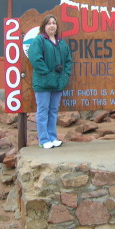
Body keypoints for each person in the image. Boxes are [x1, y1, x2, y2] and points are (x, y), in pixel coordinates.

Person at [28, 14, 72, 149]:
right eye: (49, 23)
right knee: (43, 110)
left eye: (54, 23)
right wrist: (48, 73)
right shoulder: (39, 40)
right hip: (43, 83)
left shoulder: (61, 43)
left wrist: (65, 76)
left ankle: (52, 137)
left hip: (58, 83)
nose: (52, 25)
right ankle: (43, 139)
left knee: (53, 110)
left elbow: (68, 61)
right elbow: (35, 59)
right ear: (44, 26)